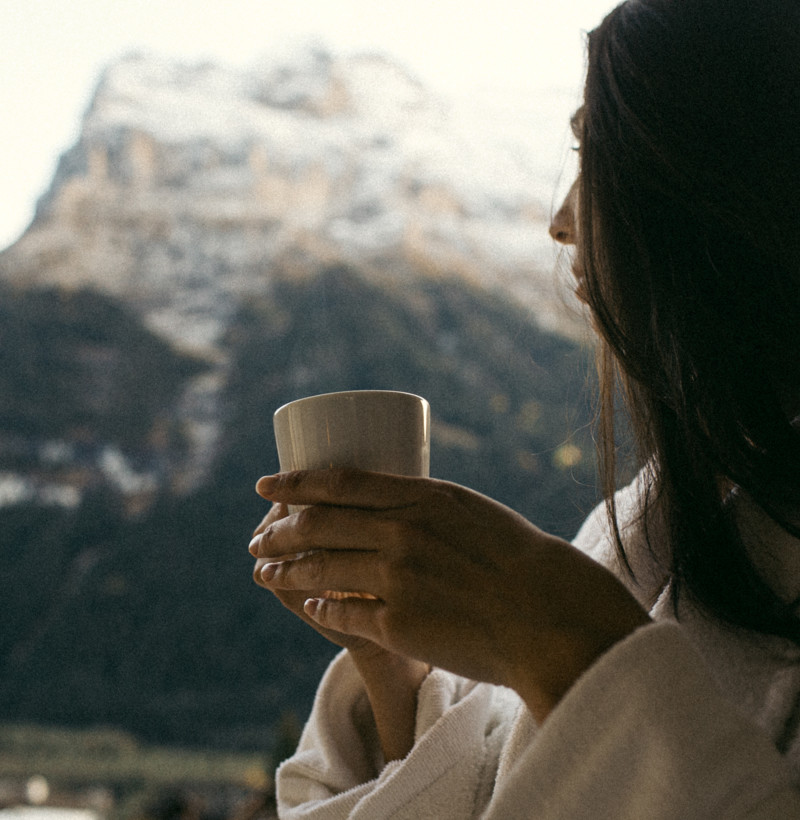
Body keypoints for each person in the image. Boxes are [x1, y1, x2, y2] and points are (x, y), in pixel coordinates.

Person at [248, 0, 800, 815]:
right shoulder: (639, 527)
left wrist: (561, 635)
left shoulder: (601, 573)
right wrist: (391, 666)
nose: (562, 219)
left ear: (720, 179)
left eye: (595, 154)